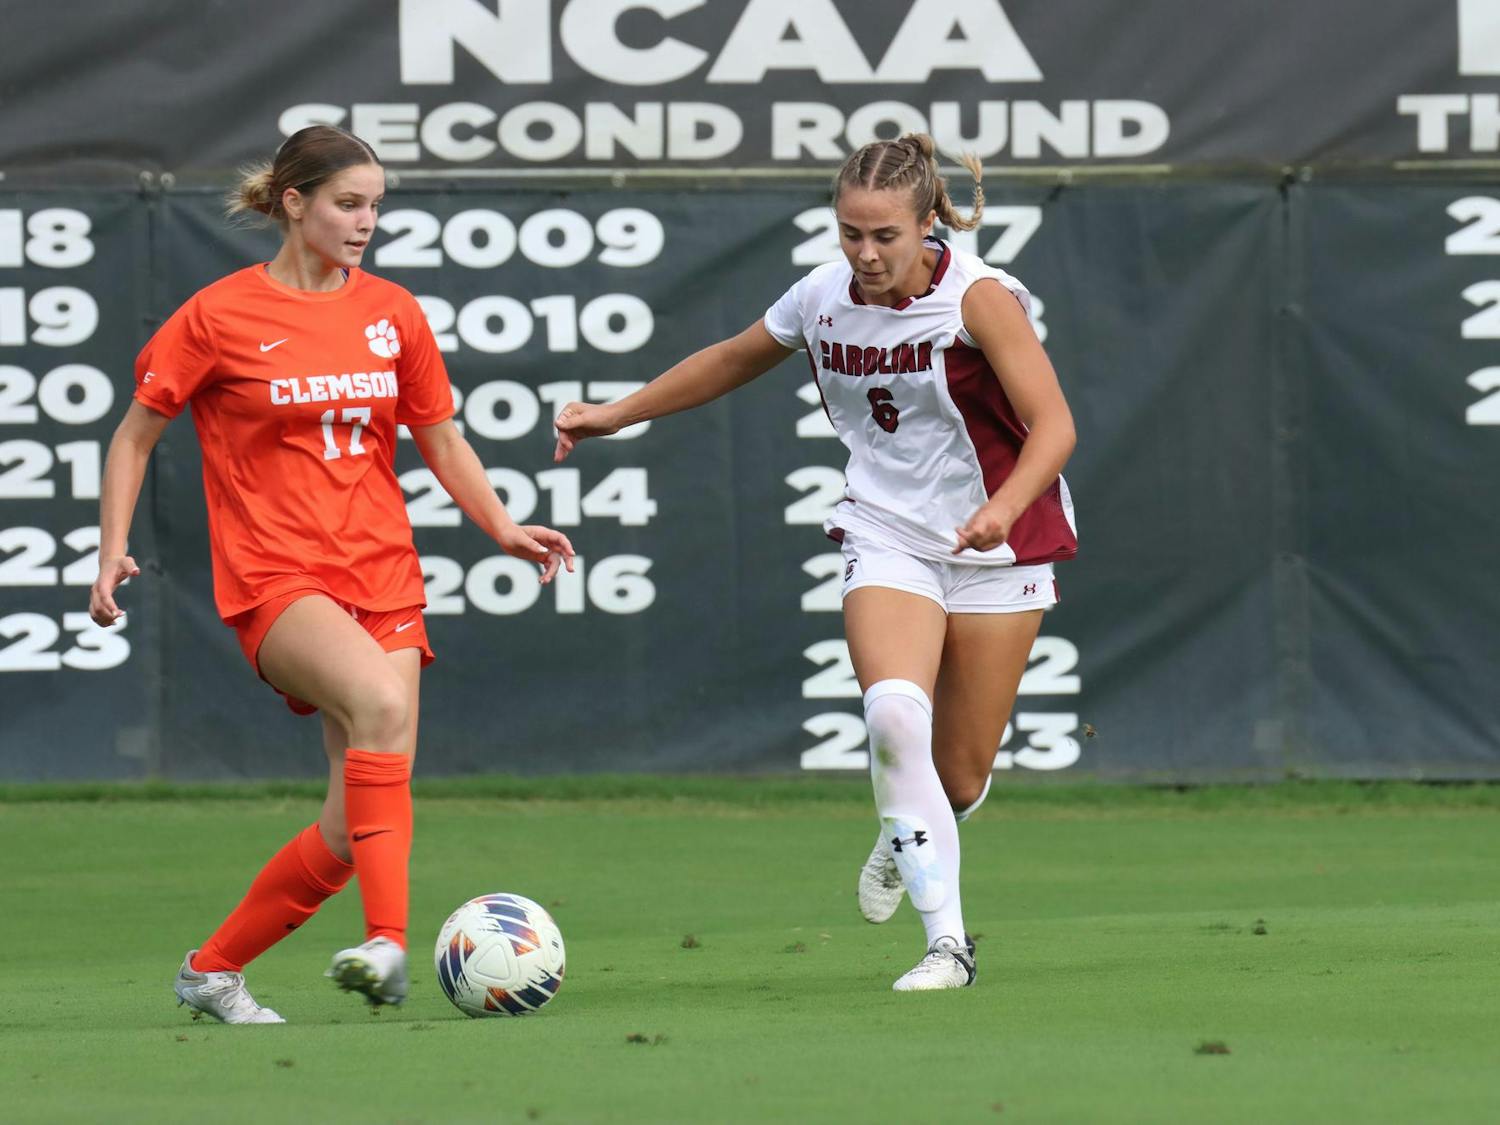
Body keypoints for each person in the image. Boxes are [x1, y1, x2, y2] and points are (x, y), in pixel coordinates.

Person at [554, 134, 1076, 991]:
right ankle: (949, 944)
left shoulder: (979, 299)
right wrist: (618, 413)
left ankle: (903, 821)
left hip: (999, 541)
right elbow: (732, 358)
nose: (865, 254)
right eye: (849, 233)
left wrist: (1002, 509)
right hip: (887, 532)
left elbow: (1054, 425)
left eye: (885, 237)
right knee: (894, 716)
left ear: (926, 224)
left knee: (960, 774)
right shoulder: (821, 296)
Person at [89, 125, 574, 1023]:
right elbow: (134, 435)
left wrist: (501, 526)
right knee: (380, 711)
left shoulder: (393, 311)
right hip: (276, 578)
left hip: (384, 573)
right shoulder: (219, 314)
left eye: (376, 205)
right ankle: (389, 943)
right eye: (349, 204)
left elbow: (440, 437)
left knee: (351, 827)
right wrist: (112, 542)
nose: (366, 222)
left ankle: (211, 968)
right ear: (293, 202)